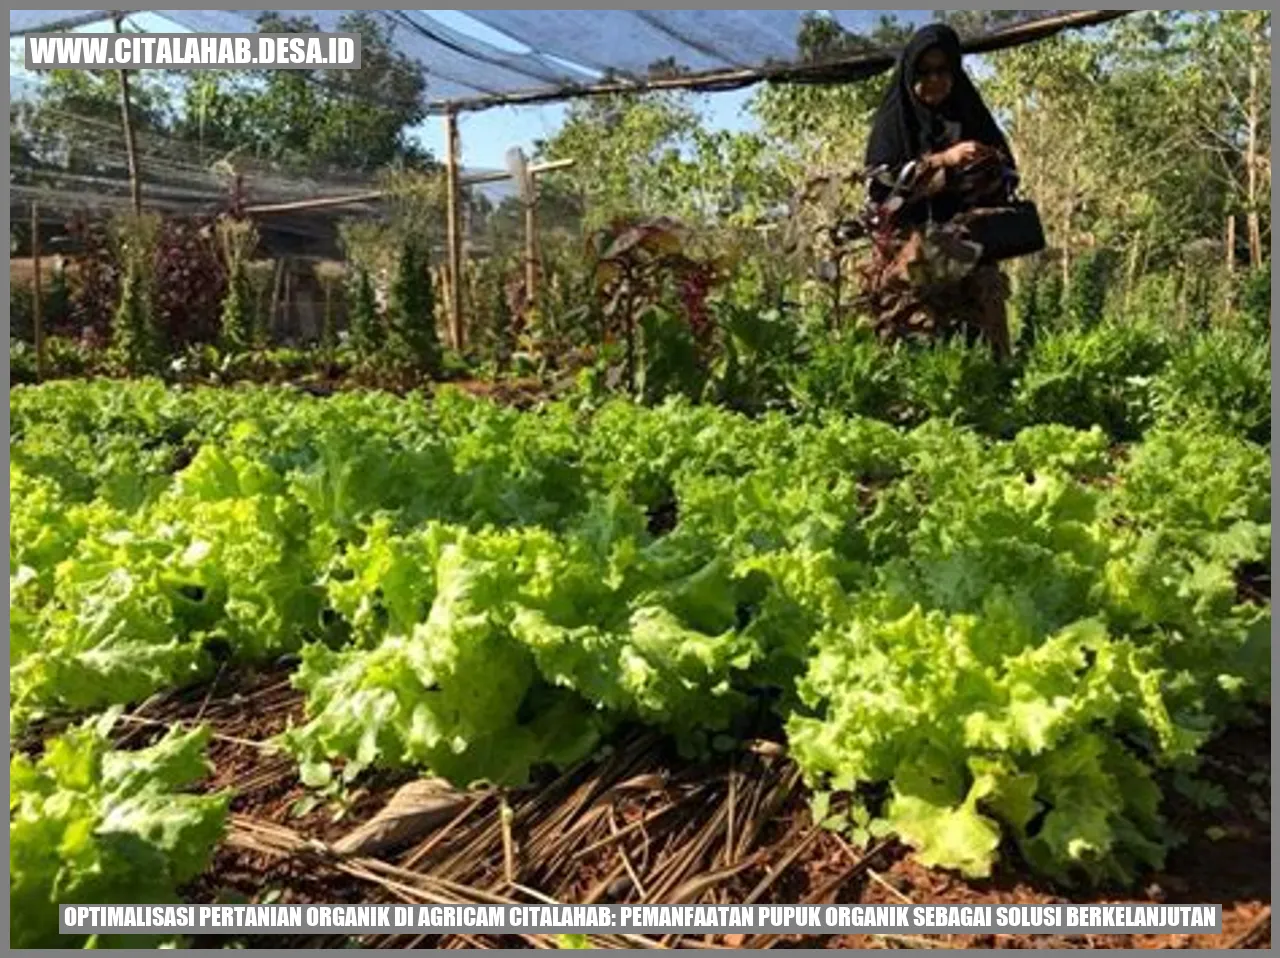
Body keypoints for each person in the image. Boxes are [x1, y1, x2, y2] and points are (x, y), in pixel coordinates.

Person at [856, 23, 1016, 359]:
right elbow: (878, 184)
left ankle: (998, 391)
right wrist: (942, 161)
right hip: (909, 254)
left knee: (985, 336)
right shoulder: (894, 122)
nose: (934, 80)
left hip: (969, 248)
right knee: (912, 339)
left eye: (943, 70)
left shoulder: (969, 115)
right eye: (924, 71)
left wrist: (984, 167)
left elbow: (1009, 174)